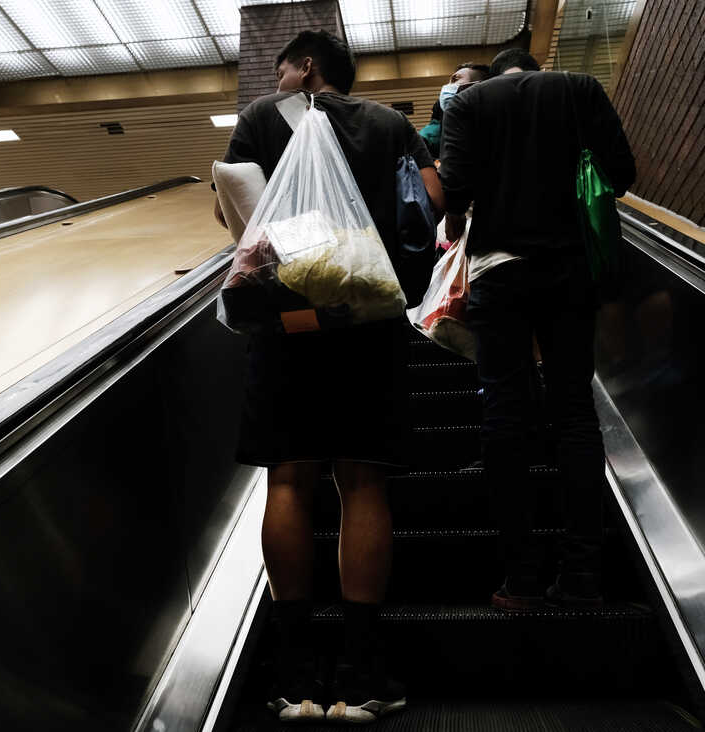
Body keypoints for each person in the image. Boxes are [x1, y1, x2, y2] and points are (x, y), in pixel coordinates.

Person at [218, 31, 443, 723]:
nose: (280, 77)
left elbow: (234, 217)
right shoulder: (389, 123)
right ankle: (366, 669)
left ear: (305, 65)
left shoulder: (263, 117)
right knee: (362, 479)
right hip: (368, 322)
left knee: (288, 478)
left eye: (284, 65)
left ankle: (294, 675)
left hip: (288, 328)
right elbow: (429, 204)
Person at [438, 48, 635, 610]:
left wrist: (460, 220)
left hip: (500, 270)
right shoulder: (580, 88)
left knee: (506, 411)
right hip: (573, 271)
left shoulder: (471, 101)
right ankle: (581, 578)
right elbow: (621, 175)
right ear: (535, 68)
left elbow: (454, 188)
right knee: (573, 410)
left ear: (499, 73)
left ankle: (521, 580)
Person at [418, 62, 491, 160]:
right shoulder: (428, 138)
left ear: (476, 87)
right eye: (449, 81)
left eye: (455, 79)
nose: (447, 86)